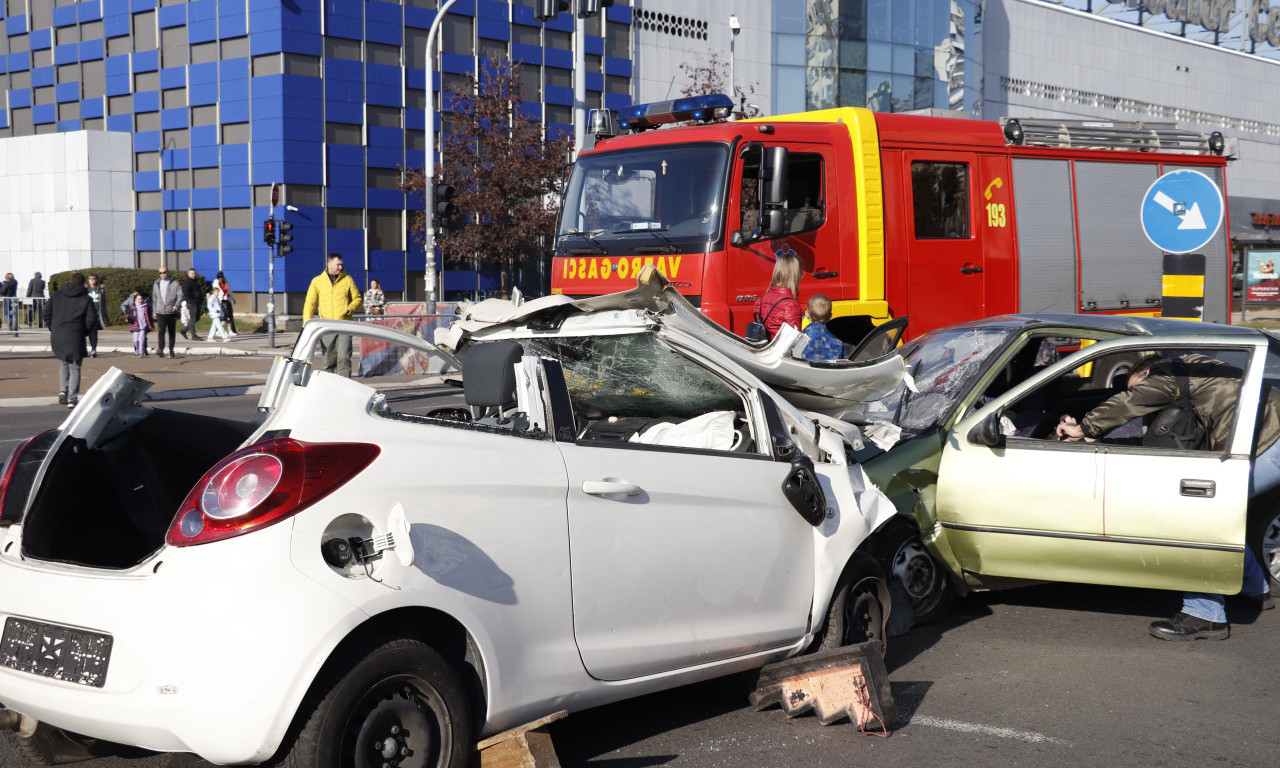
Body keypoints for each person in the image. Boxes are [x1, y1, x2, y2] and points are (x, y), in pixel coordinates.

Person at [1056, 353, 1278, 640]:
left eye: (1136, 385)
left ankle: (1206, 614)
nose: (1136, 391)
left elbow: (1130, 402)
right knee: (1217, 513)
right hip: (1271, 435)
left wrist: (1084, 428)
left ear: (1146, 373)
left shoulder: (1167, 373)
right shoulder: (1195, 373)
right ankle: (1254, 588)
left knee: (1201, 518)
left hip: (1272, 441)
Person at [41, 272, 97, 409]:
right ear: (83, 283)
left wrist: (53, 327)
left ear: (70, 281)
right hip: (76, 333)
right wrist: (84, 332)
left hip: (59, 333)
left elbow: (46, 313)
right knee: (75, 365)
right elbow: (90, 319)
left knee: (64, 362)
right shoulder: (86, 299)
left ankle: (63, 390)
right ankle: (72, 398)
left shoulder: (57, 295)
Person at [302, 253, 362, 378]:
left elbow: (357, 299)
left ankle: (345, 387)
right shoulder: (317, 281)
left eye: (342, 264)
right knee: (328, 361)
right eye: (338, 264)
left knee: (344, 357)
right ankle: (331, 387)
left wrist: (349, 309)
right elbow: (310, 304)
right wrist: (306, 323)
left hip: (344, 324)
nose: (341, 267)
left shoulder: (348, 280)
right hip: (327, 325)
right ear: (329, 265)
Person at [752, 251, 804, 340]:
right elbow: (795, 342)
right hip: (781, 352)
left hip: (765, 350)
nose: (801, 276)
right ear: (794, 275)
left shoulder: (760, 301)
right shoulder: (791, 305)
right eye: (800, 273)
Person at [801, 293, 846, 361]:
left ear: (807, 313)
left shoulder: (799, 340)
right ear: (830, 317)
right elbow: (844, 367)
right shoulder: (838, 344)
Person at [151, 267, 183, 358]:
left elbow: (180, 295)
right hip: (160, 311)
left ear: (168, 272)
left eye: (164, 272)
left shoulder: (175, 283)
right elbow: (154, 299)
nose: (162, 274)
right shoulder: (156, 284)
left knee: (171, 332)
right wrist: (154, 311)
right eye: (160, 273)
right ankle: (160, 349)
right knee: (161, 331)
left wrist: (176, 305)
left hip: (171, 312)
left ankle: (171, 350)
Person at [122, 288, 153, 357]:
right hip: (135, 325)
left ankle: (141, 352)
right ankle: (138, 349)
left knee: (142, 339)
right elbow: (128, 314)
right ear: (135, 299)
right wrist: (127, 318)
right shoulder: (132, 307)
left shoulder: (146, 306)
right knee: (136, 340)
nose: (140, 301)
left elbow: (149, 316)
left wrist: (150, 324)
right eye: (139, 299)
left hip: (143, 325)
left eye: (141, 299)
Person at [86, 274, 107, 357]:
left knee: (93, 333)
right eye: (90, 278)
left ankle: (93, 349)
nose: (92, 280)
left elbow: (103, 303)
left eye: (94, 278)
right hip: (87, 314)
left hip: (96, 314)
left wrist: (103, 314)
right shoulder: (86, 290)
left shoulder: (101, 290)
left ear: (97, 280)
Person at [181, 268, 204, 339]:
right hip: (192, 302)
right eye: (192, 273)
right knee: (193, 319)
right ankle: (194, 336)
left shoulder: (194, 281)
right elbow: (185, 292)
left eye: (194, 273)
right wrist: (194, 296)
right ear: (188, 274)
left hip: (197, 302)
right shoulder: (187, 282)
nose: (194, 275)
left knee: (196, 318)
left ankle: (184, 330)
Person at [215, 271, 238, 335]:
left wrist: (233, 298)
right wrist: (222, 297)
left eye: (221, 277)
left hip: (227, 300)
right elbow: (215, 292)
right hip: (221, 301)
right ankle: (219, 330)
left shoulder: (226, 282)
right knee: (224, 318)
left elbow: (230, 290)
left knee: (229, 316)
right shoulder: (216, 283)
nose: (220, 279)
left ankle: (230, 331)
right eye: (219, 278)